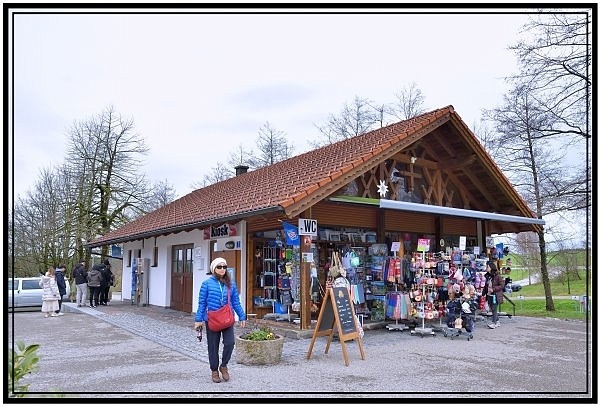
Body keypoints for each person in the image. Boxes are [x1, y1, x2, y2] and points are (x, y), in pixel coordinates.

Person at [194, 257, 246, 384]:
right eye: (219, 267)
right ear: (213, 269)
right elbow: (201, 303)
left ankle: (223, 366)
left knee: (230, 343)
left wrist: (242, 316)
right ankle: (214, 371)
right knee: (213, 346)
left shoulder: (231, 284)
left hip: (227, 318)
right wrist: (198, 319)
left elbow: (235, 302)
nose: (222, 269)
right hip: (212, 319)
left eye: (224, 267)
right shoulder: (206, 284)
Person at [485, 260, 505, 329]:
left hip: (495, 295)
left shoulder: (497, 276)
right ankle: (497, 321)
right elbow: (486, 285)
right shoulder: (488, 276)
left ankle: (494, 323)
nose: (486, 268)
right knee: (492, 308)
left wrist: (494, 289)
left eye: (487, 266)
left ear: (491, 267)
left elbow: (502, 285)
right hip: (489, 295)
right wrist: (483, 293)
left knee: (494, 308)